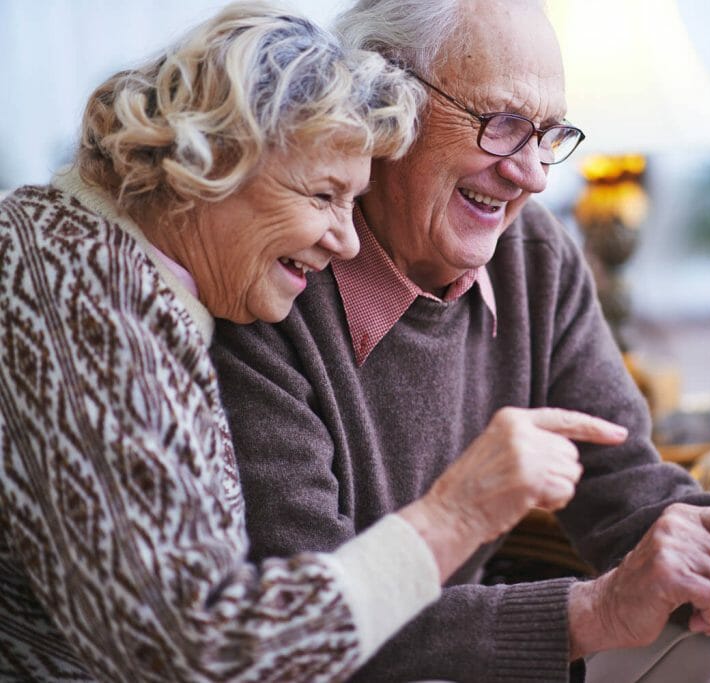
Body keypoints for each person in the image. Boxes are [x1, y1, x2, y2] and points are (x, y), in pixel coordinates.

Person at [211, 1, 710, 681]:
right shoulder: (270, 282)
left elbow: (629, 491)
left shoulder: (533, 252)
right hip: (336, 665)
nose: (532, 174)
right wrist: (590, 611)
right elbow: (308, 621)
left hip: (471, 645)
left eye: (549, 135)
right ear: (386, 108)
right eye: (500, 122)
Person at [0, 3, 630, 680]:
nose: (347, 238)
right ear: (216, 160)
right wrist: (455, 515)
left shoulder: (137, 278)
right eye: (326, 195)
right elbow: (192, 651)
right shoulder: (88, 291)